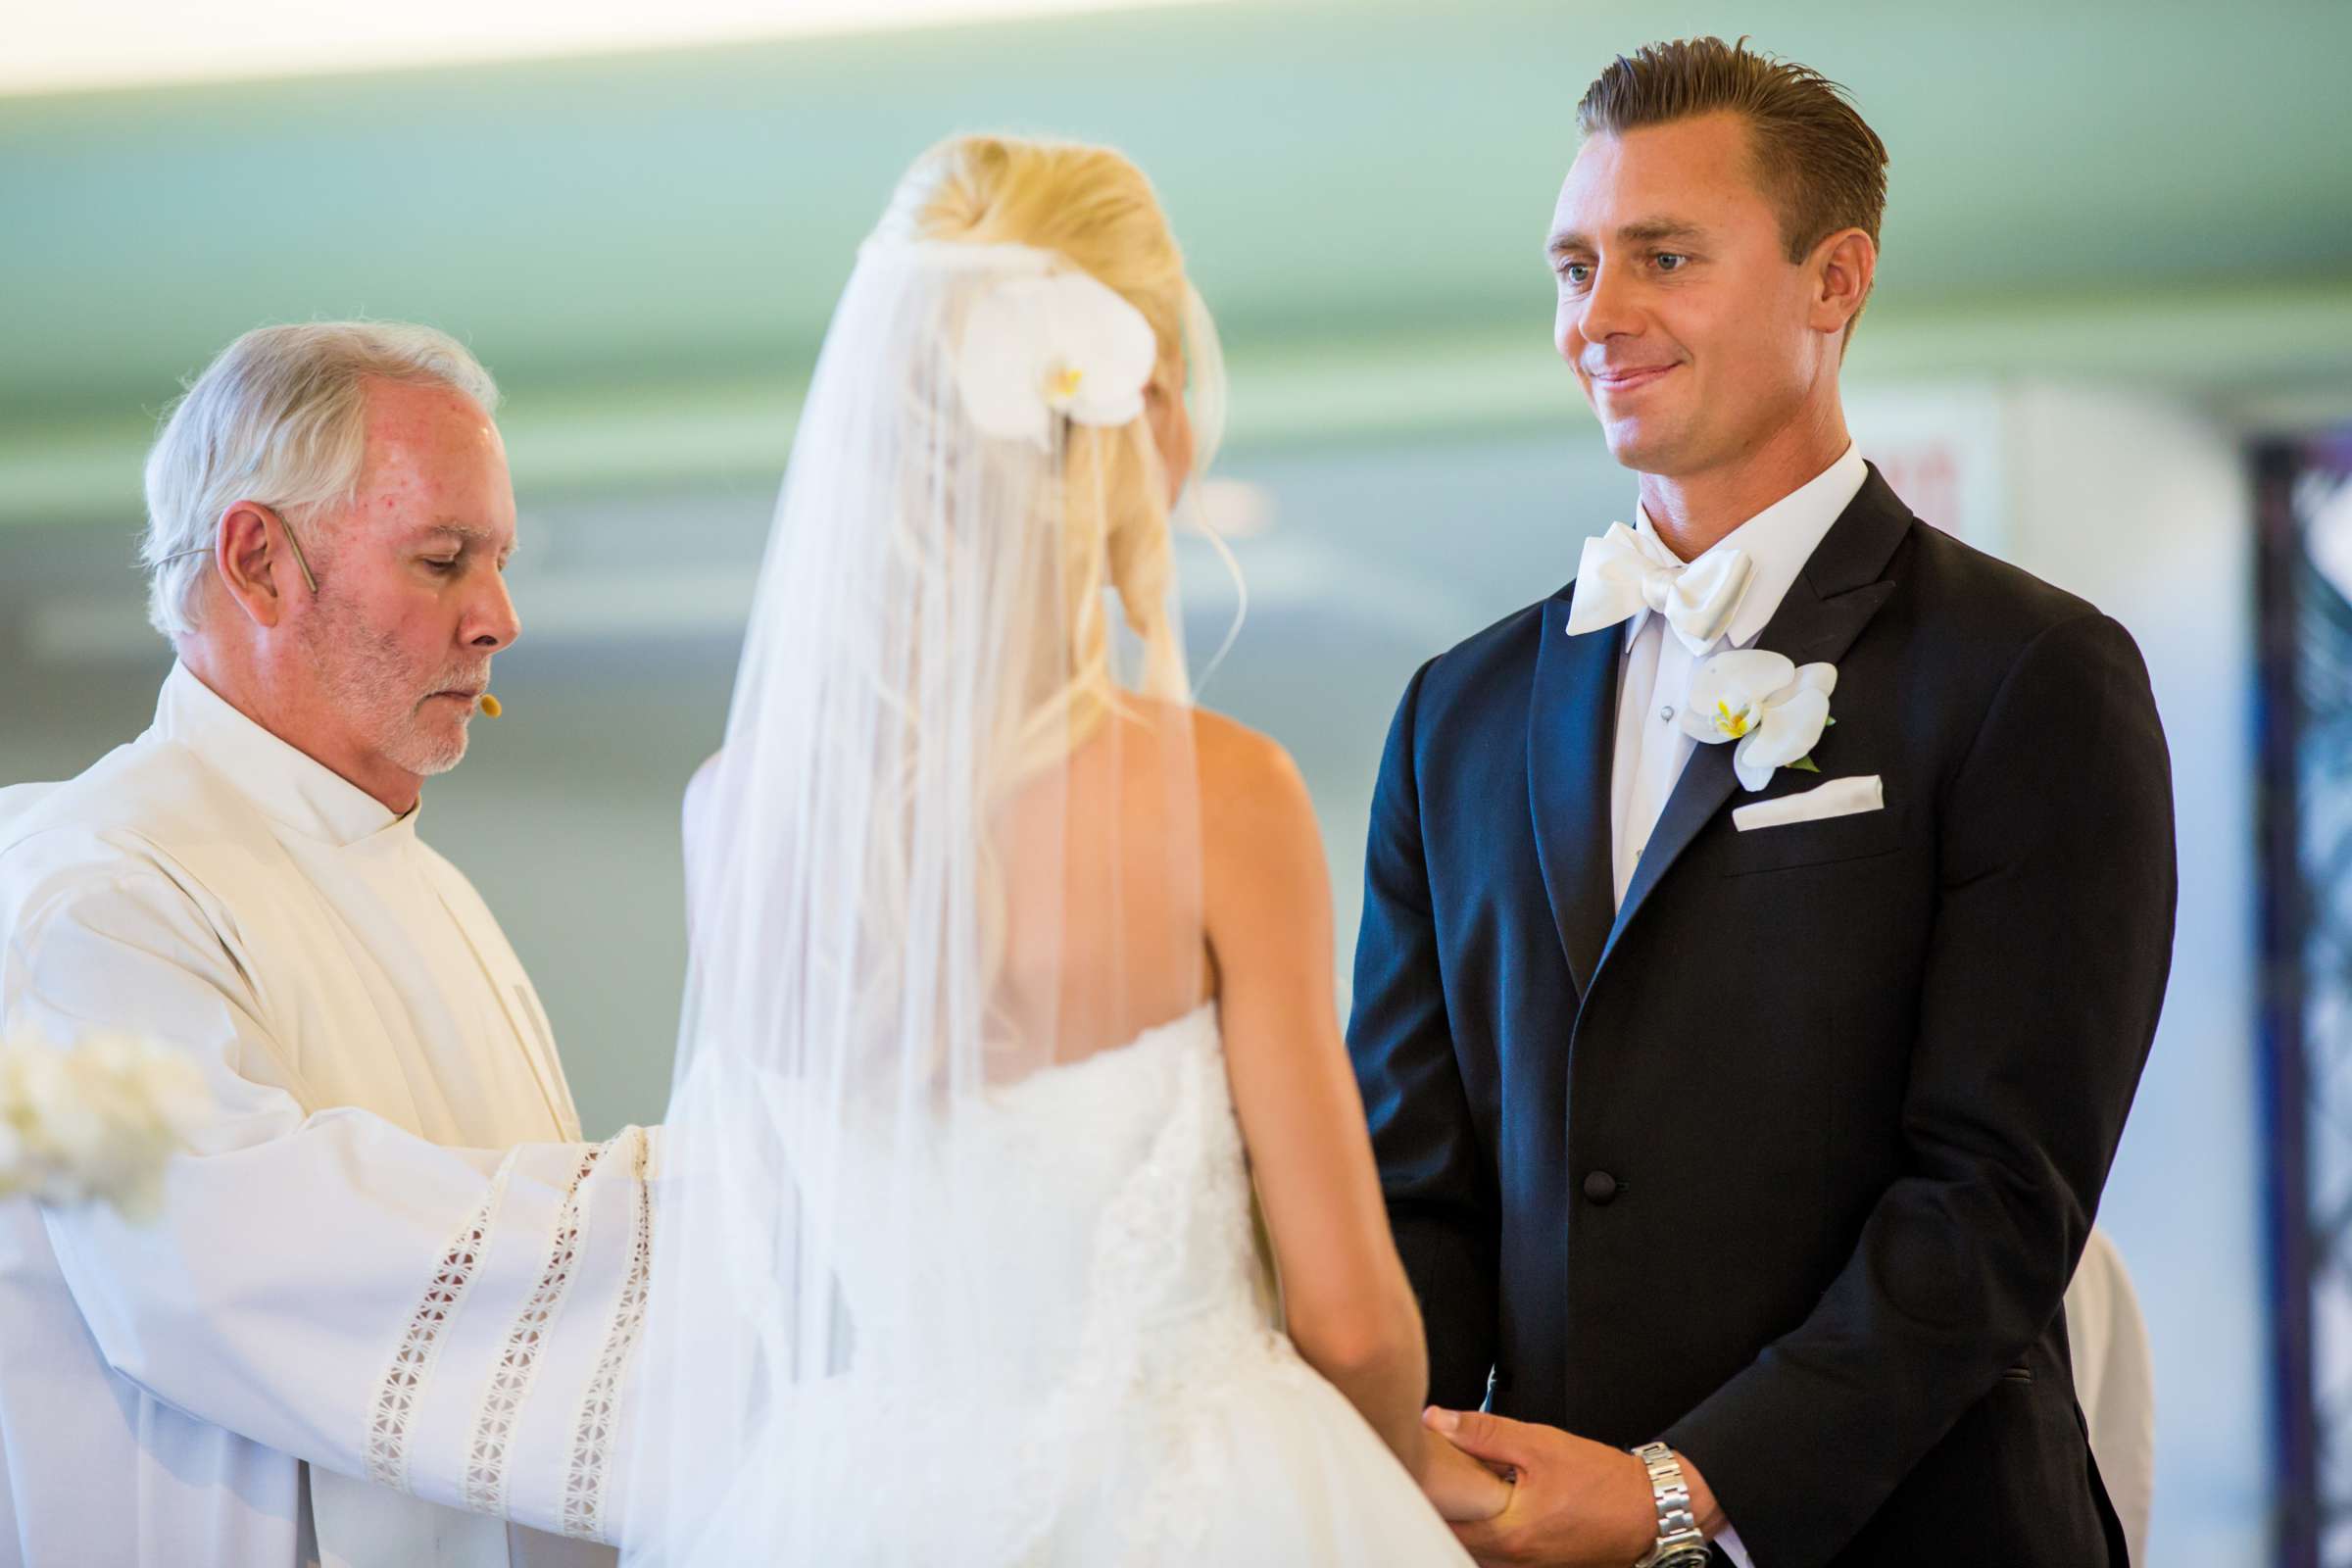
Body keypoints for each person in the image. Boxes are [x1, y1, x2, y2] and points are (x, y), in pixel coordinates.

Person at [621, 133, 1507, 1564]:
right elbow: (1348, 1322)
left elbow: (766, 1273)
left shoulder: (733, 811)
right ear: (1140, 404)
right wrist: (1407, 1467)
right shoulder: (1221, 796)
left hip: (858, 1507)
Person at [1349, 38, 2176, 1567]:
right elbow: (1419, 1185)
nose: (1598, 316)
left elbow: (1996, 1197)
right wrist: (1389, 1469)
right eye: (1576, 264)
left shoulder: (2028, 672)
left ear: (1832, 280)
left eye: (1663, 256)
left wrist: (1679, 1494)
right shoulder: (1454, 714)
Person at [0, 323, 652, 1567]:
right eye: (445, 559)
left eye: (499, 563)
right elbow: (213, 1268)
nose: (500, 618)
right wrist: (668, 1213)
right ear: (259, 560)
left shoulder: (445, 896)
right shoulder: (94, 889)